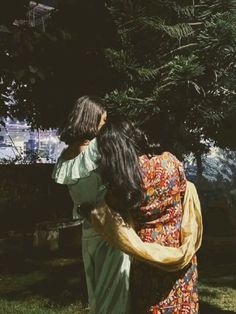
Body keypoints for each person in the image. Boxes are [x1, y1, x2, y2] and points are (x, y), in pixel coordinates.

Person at [94, 116, 200, 313]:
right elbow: (185, 193)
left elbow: (109, 218)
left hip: (148, 255)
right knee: (182, 303)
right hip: (180, 248)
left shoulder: (120, 185)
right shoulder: (170, 162)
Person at [52, 96, 131, 314]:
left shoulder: (65, 157)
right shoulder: (98, 149)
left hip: (88, 232)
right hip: (111, 228)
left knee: (96, 294)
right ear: (91, 120)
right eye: (102, 121)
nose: (104, 126)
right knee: (116, 293)